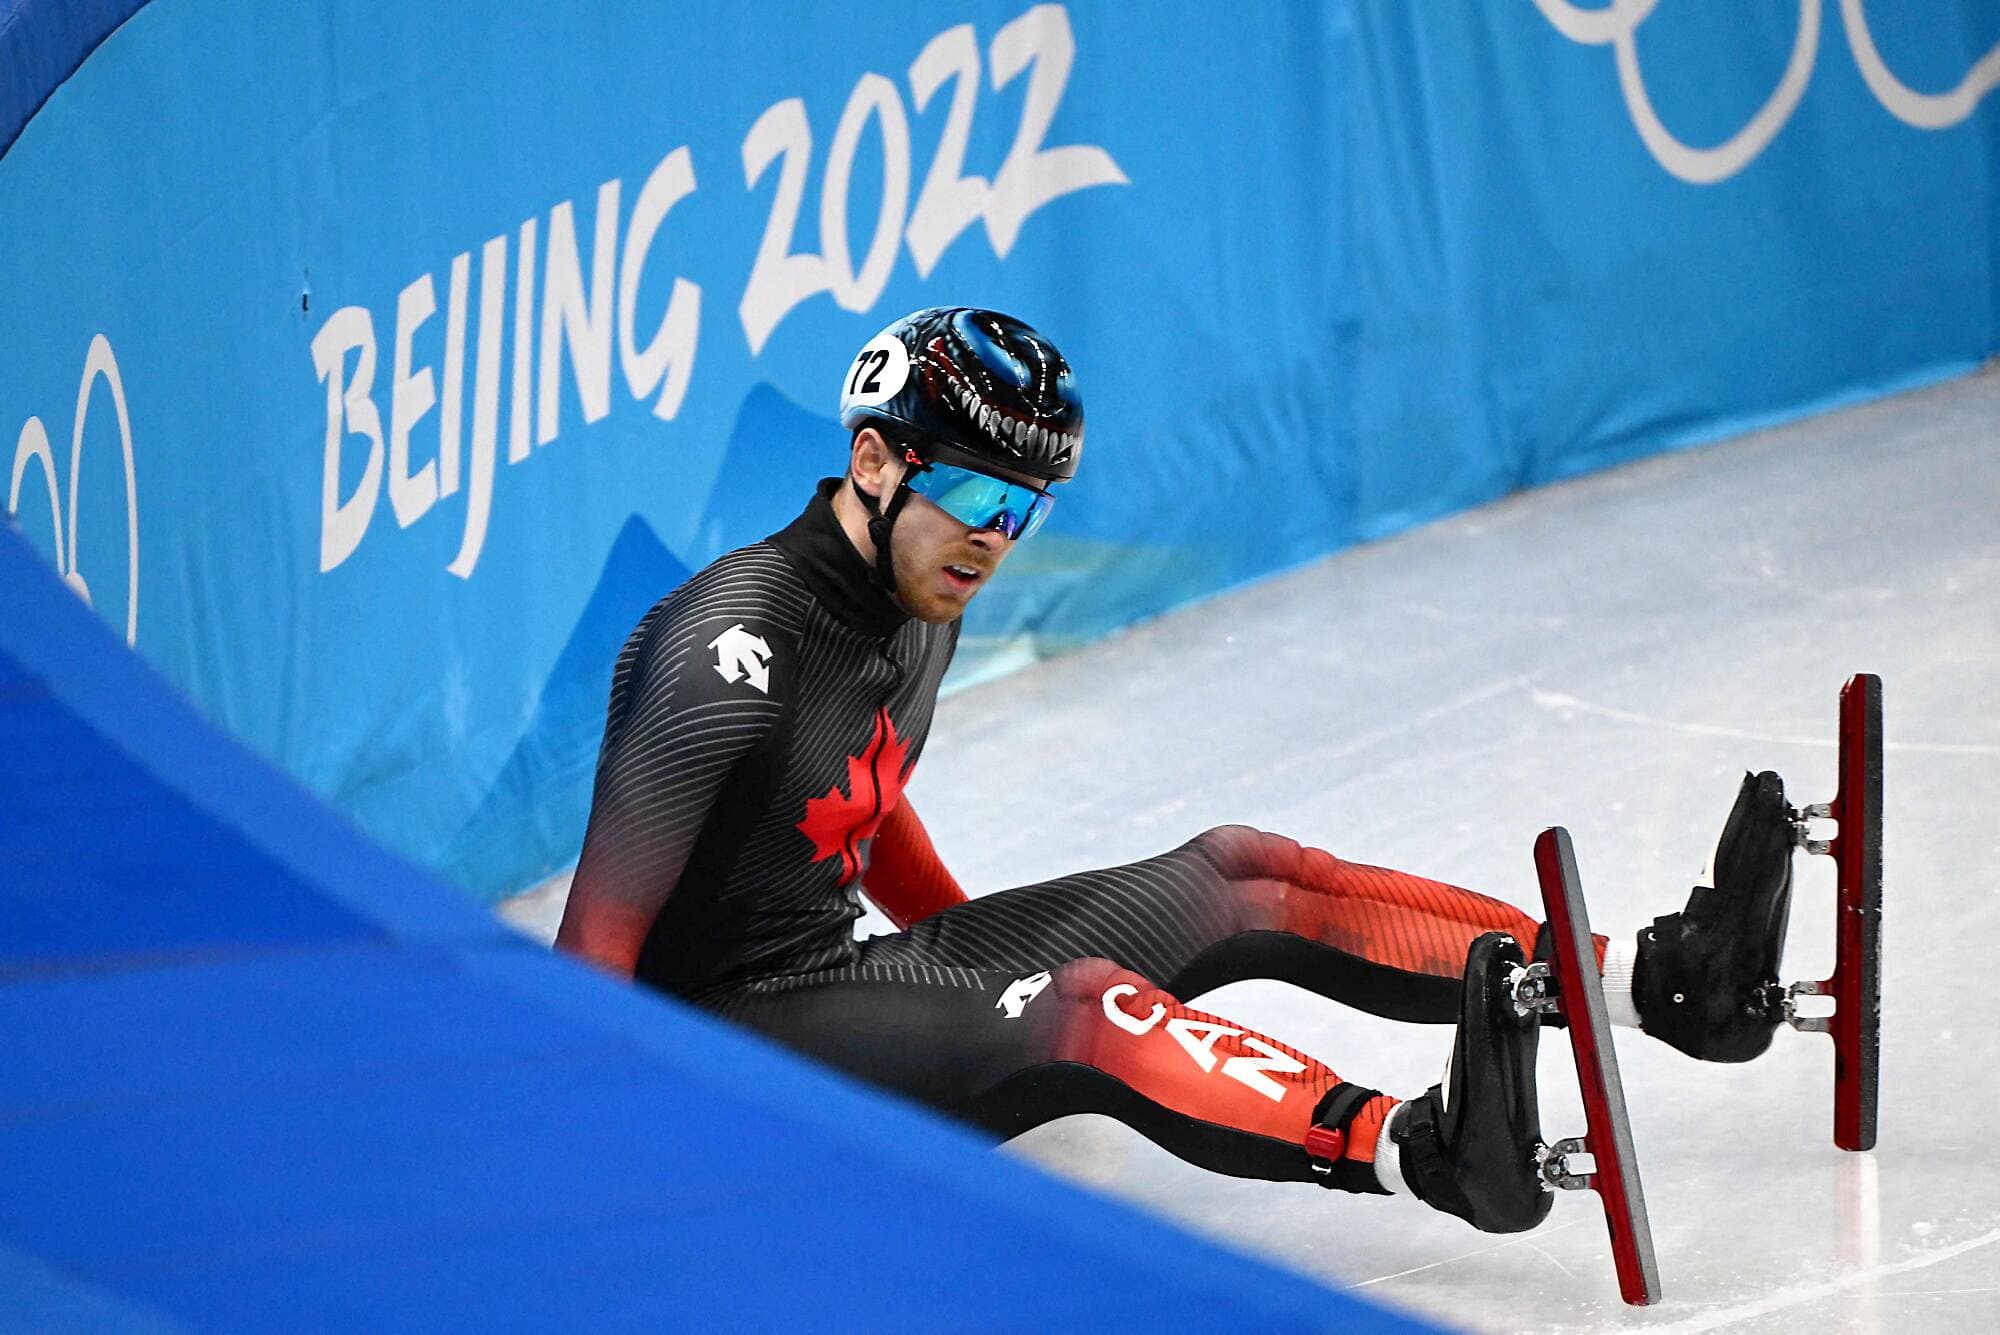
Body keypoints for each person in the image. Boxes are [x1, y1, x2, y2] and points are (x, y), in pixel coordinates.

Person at [555, 307, 1799, 1233]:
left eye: (1024, 507)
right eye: (978, 492)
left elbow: (854, 804)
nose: (996, 536)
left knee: (1239, 876)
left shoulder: (922, 580)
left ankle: (1657, 984)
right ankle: (1416, 1147)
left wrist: (967, 960)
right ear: (875, 463)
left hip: (839, 979)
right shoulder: (723, 649)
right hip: (723, 1066)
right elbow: (591, 956)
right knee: (1090, 1007)